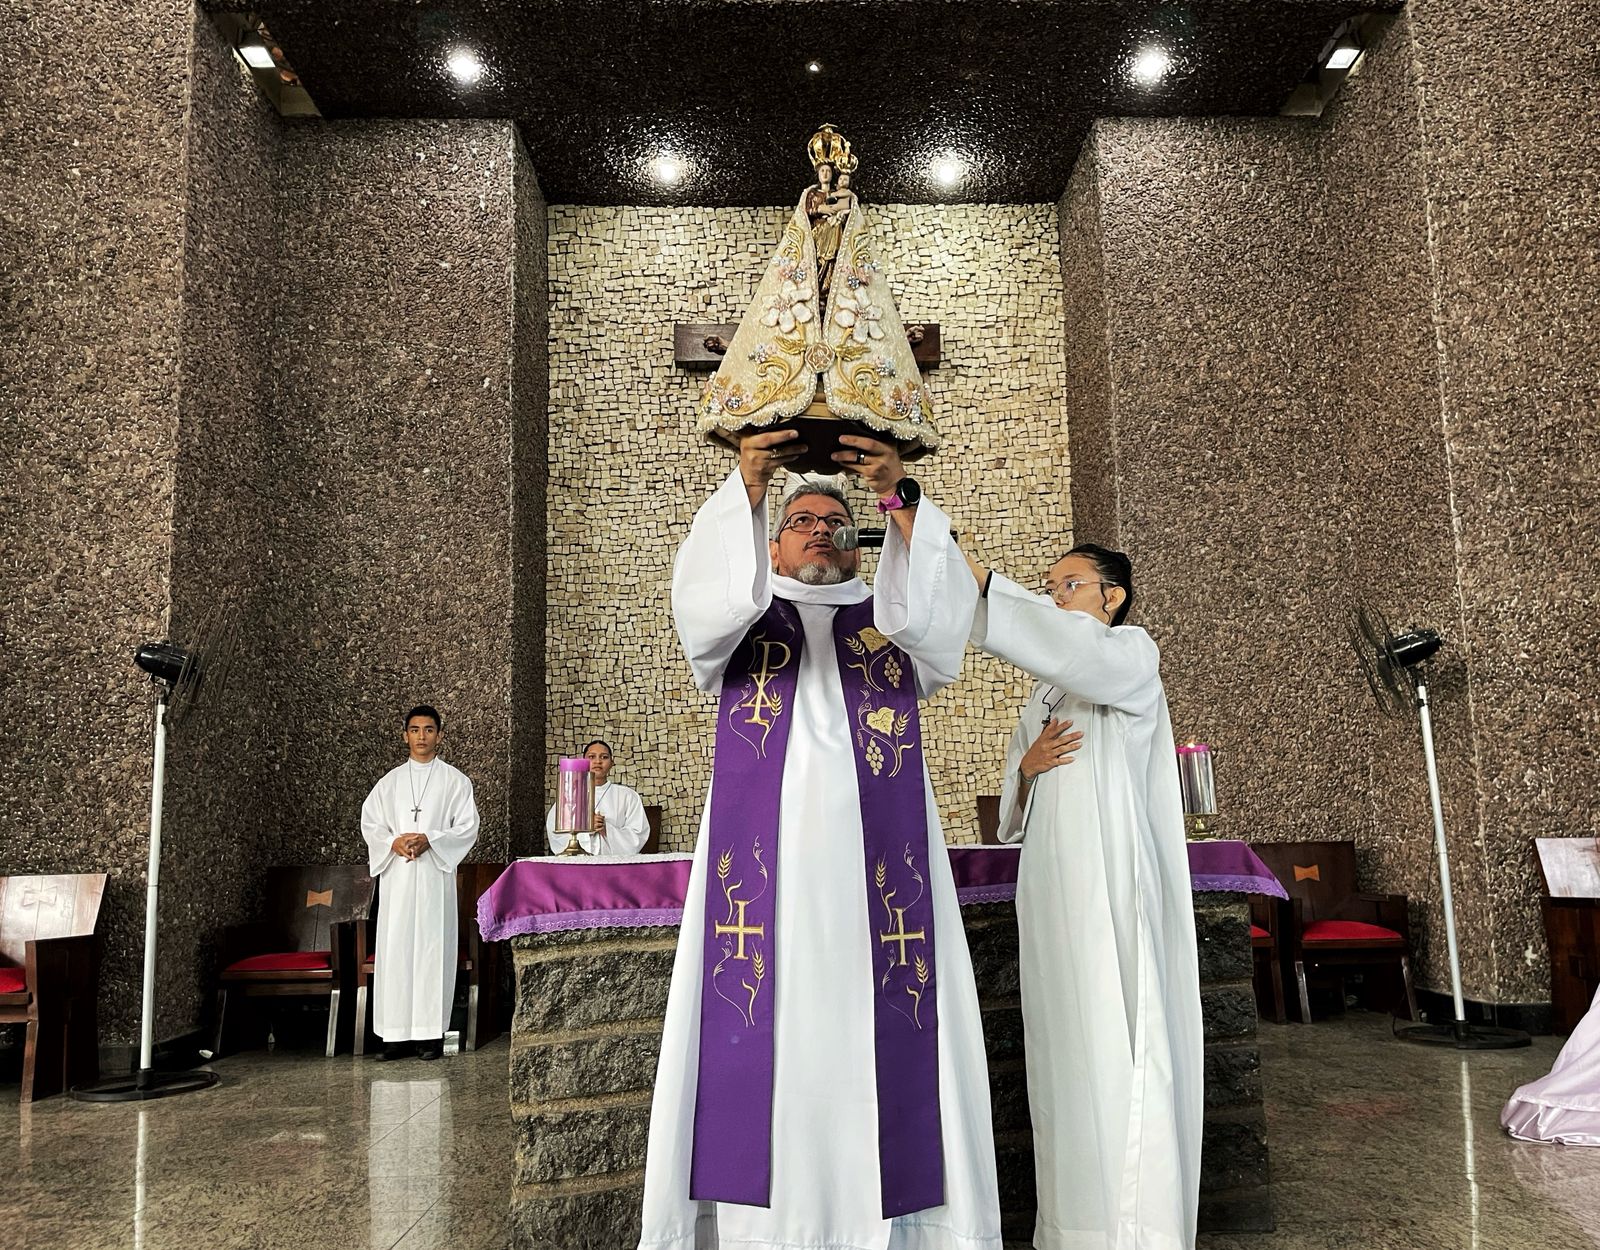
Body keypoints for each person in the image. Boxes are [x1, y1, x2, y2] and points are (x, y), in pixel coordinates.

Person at [639, 428, 1000, 1250]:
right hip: (762, 889)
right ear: (770, 544)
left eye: (835, 523)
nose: (819, 532)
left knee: (893, 1030)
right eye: (799, 521)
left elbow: (947, 614)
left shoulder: (890, 622)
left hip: (882, 886)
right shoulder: (742, 619)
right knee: (760, 1029)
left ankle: (915, 1230)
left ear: (858, 544)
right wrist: (748, 482)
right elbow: (701, 603)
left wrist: (897, 491)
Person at [962, 543, 1203, 1250]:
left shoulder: (1130, 653)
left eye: (1069, 584)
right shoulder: (1044, 692)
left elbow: (1073, 650)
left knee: (1117, 1026)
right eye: (1049, 588)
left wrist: (988, 586)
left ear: (1112, 596)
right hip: (1051, 884)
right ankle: (1073, 1228)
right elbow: (1011, 814)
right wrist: (1027, 769)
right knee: (1062, 1043)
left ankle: (1139, 1225)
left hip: (1111, 879)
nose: (1057, 596)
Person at [359, 705, 480, 1061]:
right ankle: (394, 1037)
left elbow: (467, 827)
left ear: (439, 735)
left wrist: (432, 840)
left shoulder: (455, 781)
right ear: (405, 736)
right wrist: (392, 843)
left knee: (431, 952)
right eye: (415, 730)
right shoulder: (390, 783)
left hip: (433, 879)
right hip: (398, 879)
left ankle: (429, 1036)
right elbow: (371, 824)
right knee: (395, 951)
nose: (422, 736)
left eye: (429, 729)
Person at [546, 739, 651, 855]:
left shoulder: (628, 796)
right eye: (592, 757)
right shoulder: (569, 796)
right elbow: (556, 834)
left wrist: (606, 829)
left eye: (604, 757)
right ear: (584, 761)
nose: (598, 761)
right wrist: (586, 829)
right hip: (579, 862)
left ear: (612, 763)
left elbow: (638, 835)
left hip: (614, 862)